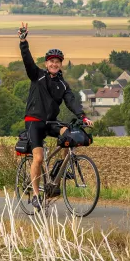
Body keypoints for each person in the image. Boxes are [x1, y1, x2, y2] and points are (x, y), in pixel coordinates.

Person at [18, 22, 93, 211]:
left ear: (60, 65)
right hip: (34, 121)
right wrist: (23, 41)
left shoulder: (63, 84)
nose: (54, 64)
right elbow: (27, 60)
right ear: (46, 64)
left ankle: (61, 170)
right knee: (38, 157)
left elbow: (71, 101)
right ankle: (36, 195)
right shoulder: (38, 75)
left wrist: (82, 116)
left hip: (50, 121)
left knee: (70, 134)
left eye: (57, 62)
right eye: (51, 61)